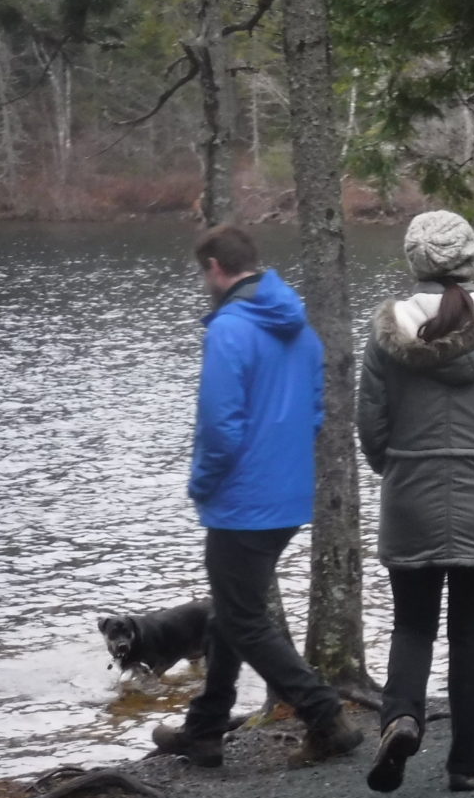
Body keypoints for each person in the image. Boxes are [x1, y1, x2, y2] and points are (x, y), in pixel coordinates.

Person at [152, 225, 363, 768]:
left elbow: (220, 426)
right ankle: (204, 730)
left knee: (243, 618)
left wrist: (202, 483)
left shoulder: (230, 330)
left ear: (217, 268)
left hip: (242, 500)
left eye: (203, 272)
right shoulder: (300, 329)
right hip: (287, 497)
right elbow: (316, 412)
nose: (204, 282)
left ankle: (324, 714)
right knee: (231, 608)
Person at [358, 211, 474, 793]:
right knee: (469, 631)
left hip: (409, 495)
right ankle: (466, 762)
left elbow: (371, 429)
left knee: (412, 625)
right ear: (470, 261)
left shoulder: (385, 337)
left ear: (415, 264)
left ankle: (403, 717)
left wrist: (399, 472)